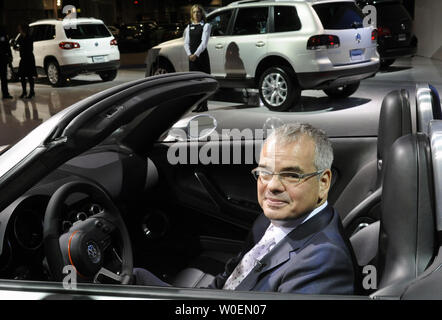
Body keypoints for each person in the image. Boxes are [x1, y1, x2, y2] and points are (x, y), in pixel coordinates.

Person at [133, 123, 357, 295]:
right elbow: (228, 281)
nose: (272, 186)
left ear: (323, 183)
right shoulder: (272, 220)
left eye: (291, 175)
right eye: (265, 172)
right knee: (137, 278)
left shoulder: (323, 263)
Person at [183, 4, 211, 112]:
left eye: (198, 12)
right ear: (192, 14)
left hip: (201, 57)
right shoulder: (189, 27)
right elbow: (186, 43)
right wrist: (189, 54)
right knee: (195, 83)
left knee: (203, 82)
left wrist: (196, 54)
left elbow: (204, 43)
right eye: (194, 12)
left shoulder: (206, 26)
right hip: (192, 58)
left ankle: (204, 105)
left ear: (202, 13)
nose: (196, 14)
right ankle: (198, 104)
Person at [16, 24, 36, 99]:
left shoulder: (29, 37)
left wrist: (20, 49)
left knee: (30, 76)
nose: (19, 30)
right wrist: (16, 47)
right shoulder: (20, 37)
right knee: (22, 76)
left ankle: (32, 91)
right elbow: (17, 45)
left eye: (20, 28)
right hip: (23, 59)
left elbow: (29, 49)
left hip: (29, 58)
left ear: (23, 29)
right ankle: (24, 92)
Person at [0, 25, 13, 99]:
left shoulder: (2, 31)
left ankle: (5, 93)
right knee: (3, 77)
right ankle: (5, 93)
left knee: (3, 77)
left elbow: (6, 44)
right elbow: (6, 45)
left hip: (2, 58)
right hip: (3, 58)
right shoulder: (2, 31)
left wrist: (10, 55)